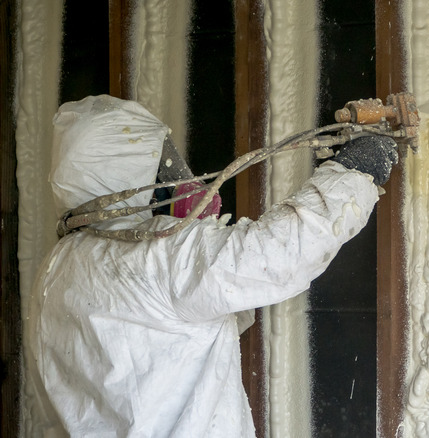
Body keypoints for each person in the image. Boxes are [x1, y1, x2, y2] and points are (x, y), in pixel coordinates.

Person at [25, 95, 397, 436]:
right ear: (126, 171)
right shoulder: (158, 253)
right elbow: (276, 255)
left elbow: (194, 323)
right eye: (158, 167)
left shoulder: (55, 268)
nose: (171, 182)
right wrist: (355, 170)